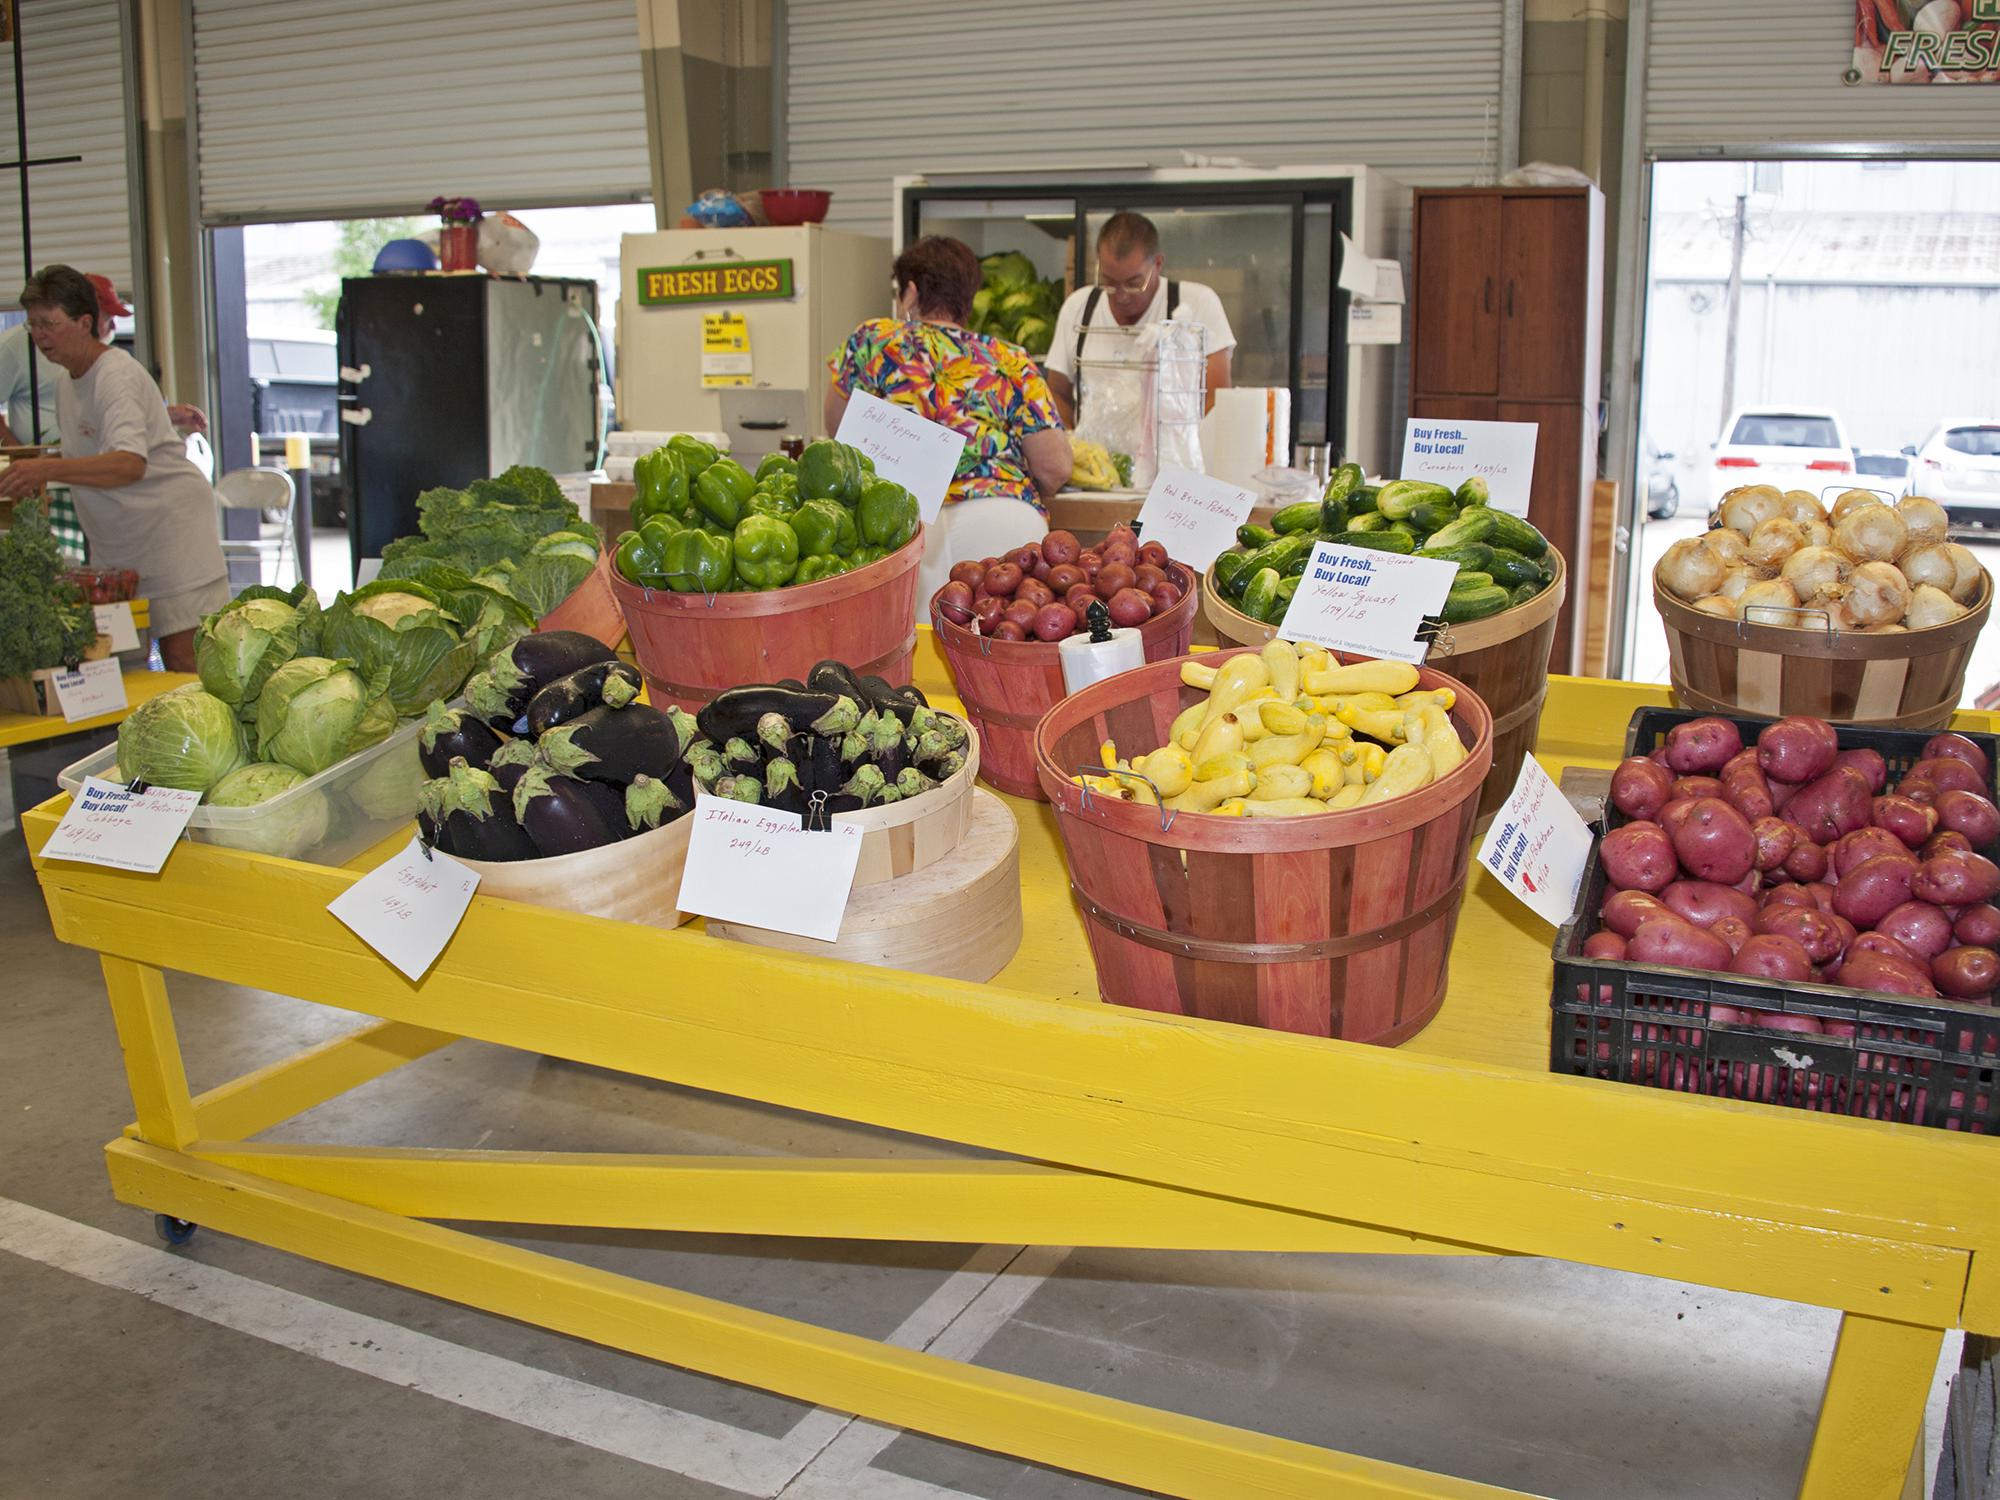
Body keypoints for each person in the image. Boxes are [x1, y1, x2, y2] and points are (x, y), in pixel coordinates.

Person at [0, 265, 228, 673]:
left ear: (84, 322)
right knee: (124, 664)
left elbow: (127, 463)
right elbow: (87, 454)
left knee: (184, 658)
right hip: (120, 546)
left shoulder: (115, 373)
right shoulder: (68, 382)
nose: (39, 335)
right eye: (33, 325)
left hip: (171, 535)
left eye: (49, 323)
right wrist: (34, 469)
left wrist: (45, 471)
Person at [825, 235, 1071, 602]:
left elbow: (837, 431)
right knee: (1002, 643)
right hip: (1001, 516)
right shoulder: (1009, 358)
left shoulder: (873, 340)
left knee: (908, 647)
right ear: (969, 297)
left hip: (898, 523)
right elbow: (1055, 466)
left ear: (909, 292)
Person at [1042, 212, 1236, 433]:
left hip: (1173, 464)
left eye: (1134, 283)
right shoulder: (1078, 307)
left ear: (1158, 264)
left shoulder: (1197, 304)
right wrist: (1069, 444)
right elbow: (1057, 393)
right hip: (1095, 462)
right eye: (1110, 282)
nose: (1122, 296)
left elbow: (1216, 401)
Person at [0, 274, 205, 444]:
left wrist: (162, 414)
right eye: (109, 317)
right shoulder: (24, 352)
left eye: (47, 324)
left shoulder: (114, 369)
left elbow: (127, 458)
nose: (113, 328)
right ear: (84, 316)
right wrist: (24, 460)